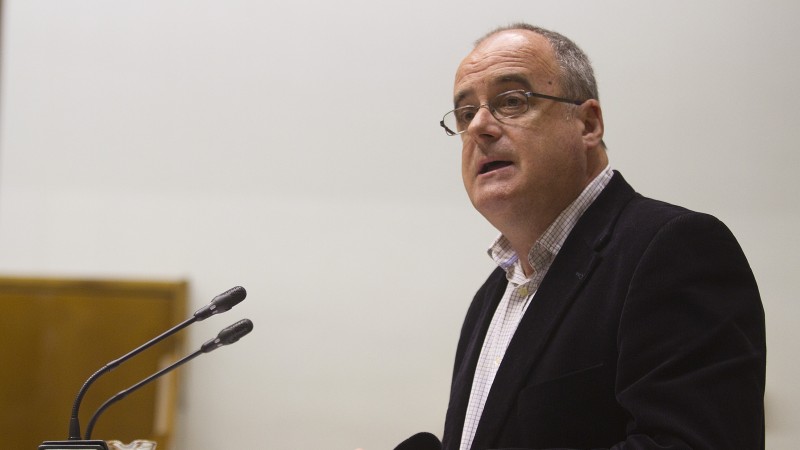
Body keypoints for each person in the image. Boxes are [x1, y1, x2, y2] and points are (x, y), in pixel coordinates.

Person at [438, 23, 766, 450]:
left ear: (588, 123)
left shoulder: (676, 250)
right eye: (465, 114)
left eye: (512, 101)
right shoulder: (491, 297)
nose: (480, 124)